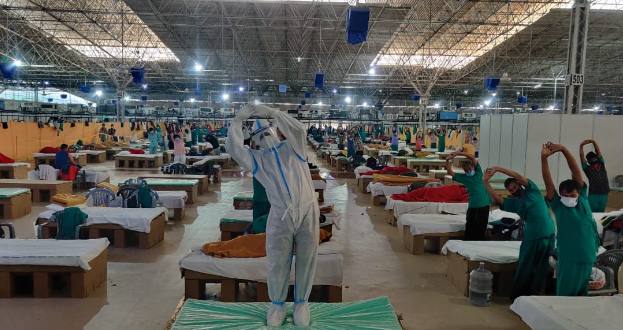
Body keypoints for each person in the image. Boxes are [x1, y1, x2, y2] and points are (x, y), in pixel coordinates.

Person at [226, 105, 319, 326]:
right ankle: (277, 304)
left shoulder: (294, 148)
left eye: (267, 132)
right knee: (278, 261)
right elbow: (233, 148)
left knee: (307, 259)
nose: (265, 138)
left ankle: (301, 303)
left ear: (276, 132)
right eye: (259, 136)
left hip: (308, 211)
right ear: (254, 142)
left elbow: (299, 130)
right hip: (280, 215)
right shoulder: (257, 160)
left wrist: (275, 113)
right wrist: (238, 120)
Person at [482, 166, 555, 300]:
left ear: (519, 185)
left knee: (542, 268)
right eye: (511, 190)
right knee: (525, 267)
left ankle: (537, 295)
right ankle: (518, 296)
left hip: (549, 234)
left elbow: (518, 176)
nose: (514, 191)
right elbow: (498, 199)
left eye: (515, 187)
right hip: (532, 237)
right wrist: (485, 182)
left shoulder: (533, 191)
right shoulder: (515, 203)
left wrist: (498, 169)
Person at [541, 142, 599, 296]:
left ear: (579, 193)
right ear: (560, 195)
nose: (569, 199)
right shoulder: (559, 206)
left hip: (587, 255)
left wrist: (564, 149)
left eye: (572, 195)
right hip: (568, 257)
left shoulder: (583, 200)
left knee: (581, 294)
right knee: (565, 294)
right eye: (565, 196)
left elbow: (575, 170)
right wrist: (544, 159)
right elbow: (548, 181)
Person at [446, 152, 490, 240]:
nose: (468, 171)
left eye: (469, 168)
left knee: (481, 229)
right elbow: (450, 172)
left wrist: (459, 153)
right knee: (470, 229)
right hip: (473, 207)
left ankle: (478, 246)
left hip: (484, 206)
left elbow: (472, 158)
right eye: (466, 170)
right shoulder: (464, 178)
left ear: (473, 167)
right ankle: (467, 245)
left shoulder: (478, 173)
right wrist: (447, 160)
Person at [579, 139, 609, 212]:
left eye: (595, 158)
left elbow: (598, 152)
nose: (594, 160)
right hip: (593, 194)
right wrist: (581, 146)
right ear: (588, 161)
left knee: (601, 213)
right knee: (591, 213)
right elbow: (582, 157)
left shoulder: (601, 165)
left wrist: (594, 142)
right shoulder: (587, 169)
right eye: (592, 159)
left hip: (604, 193)